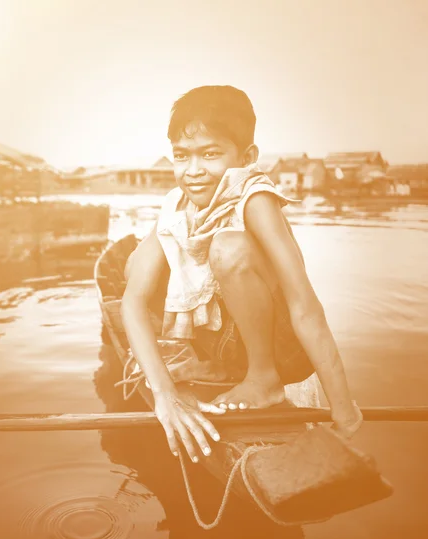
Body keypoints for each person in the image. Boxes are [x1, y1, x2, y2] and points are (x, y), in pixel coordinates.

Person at [121, 85, 363, 463]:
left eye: (211, 154)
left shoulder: (255, 199)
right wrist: (164, 394)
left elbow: (305, 306)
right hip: (223, 345)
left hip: (280, 352)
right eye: (182, 156)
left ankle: (262, 380)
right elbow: (132, 301)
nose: (193, 171)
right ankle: (214, 366)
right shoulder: (176, 205)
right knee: (136, 262)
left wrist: (343, 406)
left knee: (228, 247)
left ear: (247, 157)